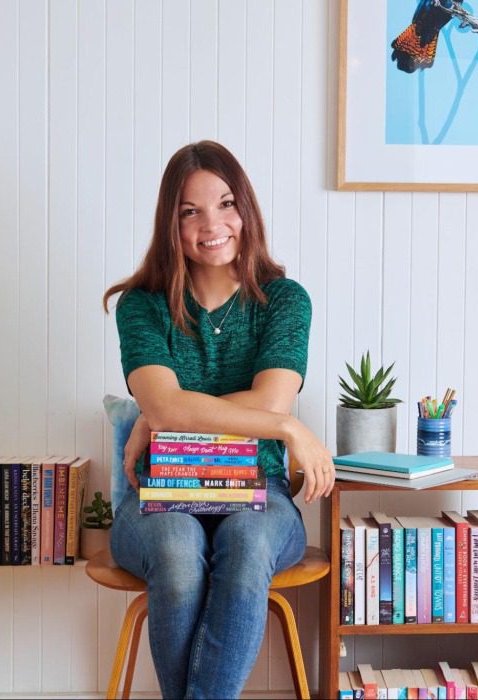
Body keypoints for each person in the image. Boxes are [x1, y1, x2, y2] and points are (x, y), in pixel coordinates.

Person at [102, 140, 334, 699]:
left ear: (246, 210)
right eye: (190, 211)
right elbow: (183, 406)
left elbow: (270, 398)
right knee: (179, 555)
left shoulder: (284, 301)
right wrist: (285, 428)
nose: (213, 224)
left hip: (261, 490)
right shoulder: (142, 305)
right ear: (170, 223)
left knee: (250, 547)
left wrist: (166, 416)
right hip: (158, 490)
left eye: (226, 204)